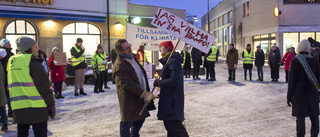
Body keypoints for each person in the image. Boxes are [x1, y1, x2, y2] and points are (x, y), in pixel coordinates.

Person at [8, 36, 55, 136]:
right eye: (35, 46)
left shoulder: (12, 62)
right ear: (28, 48)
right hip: (38, 109)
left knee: (22, 134)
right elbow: (44, 87)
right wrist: (51, 105)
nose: (37, 49)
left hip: (19, 108)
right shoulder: (34, 63)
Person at [112, 39, 154, 137]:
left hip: (139, 95)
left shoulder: (132, 58)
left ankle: (134, 134)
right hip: (129, 97)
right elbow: (126, 83)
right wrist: (143, 93)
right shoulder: (120, 64)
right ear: (120, 51)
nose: (130, 49)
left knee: (141, 117)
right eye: (126, 48)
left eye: (129, 46)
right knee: (126, 122)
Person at [153, 41, 189, 137]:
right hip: (169, 100)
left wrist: (159, 83)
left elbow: (174, 80)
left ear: (168, 48)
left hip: (172, 101)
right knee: (171, 128)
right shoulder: (170, 60)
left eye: (161, 47)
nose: (159, 49)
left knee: (174, 127)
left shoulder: (173, 61)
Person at [287, 39, 319, 137]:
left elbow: (292, 81)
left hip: (299, 95)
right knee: (314, 118)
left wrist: (289, 96)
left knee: (300, 119)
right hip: (312, 94)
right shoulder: (315, 62)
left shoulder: (296, 62)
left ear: (298, 49)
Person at [0, 39, 14, 118]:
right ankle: (7, 112)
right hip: (5, 77)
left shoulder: (10, 54)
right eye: (8, 43)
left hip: (8, 77)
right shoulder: (6, 54)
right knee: (6, 94)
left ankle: (8, 111)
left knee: (8, 94)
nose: (10, 44)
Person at [0, 49, 8, 132]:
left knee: (2, 107)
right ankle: (5, 123)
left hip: (1, 88)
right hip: (1, 88)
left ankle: (5, 124)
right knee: (2, 107)